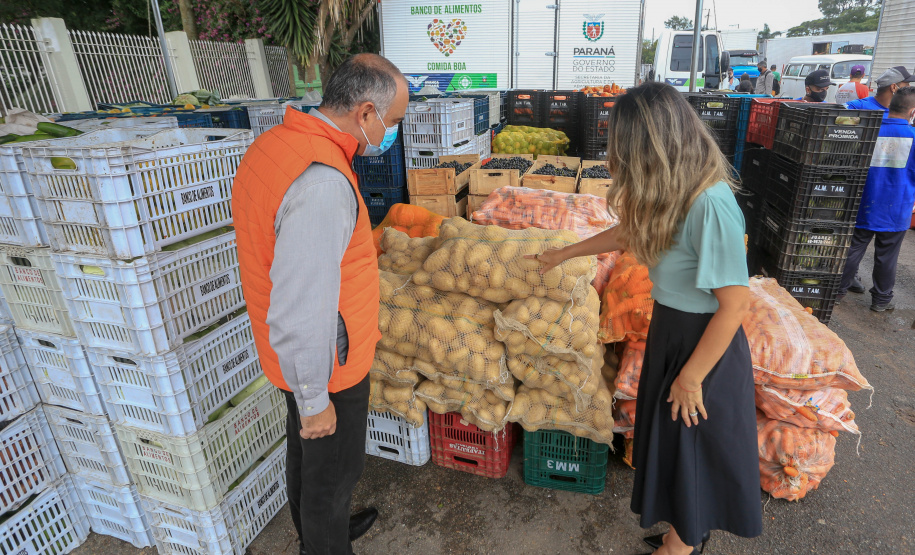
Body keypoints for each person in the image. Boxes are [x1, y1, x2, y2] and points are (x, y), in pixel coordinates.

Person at [531, 82, 762, 555]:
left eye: (621, 144)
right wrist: (566, 253)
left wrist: (693, 377)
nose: (616, 154)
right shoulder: (673, 190)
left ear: (648, 143)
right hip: (672, 332)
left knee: (692, 448)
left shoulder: (711, 203)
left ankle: (678, 550)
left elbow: (734, 304)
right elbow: (629, 230)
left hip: (702, 346)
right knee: (680, 447)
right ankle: (686, 535)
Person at [231, 54, 409, 555]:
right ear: (366, 113)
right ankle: (323, 542)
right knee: (333, 468)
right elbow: (303, 304)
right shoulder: (323, 181)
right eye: (393, 122)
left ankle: (319, 529)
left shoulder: (277, 144)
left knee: (309, 457)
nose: (391, 132)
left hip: (295, 355)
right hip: (328, 362)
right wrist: (314, 399)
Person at [838, 87, 915, 312]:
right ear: (912, 112)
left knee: (853, 248)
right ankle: (881, 300)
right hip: (897, 207)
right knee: (887, 256)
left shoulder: (870, 131)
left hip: (865, 201)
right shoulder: (913, 136)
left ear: (890, 106)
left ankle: (837, 291)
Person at [846, 66, 914, 113]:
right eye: (907, 84)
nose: (909, 87)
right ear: (893, 87)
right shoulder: (857, 106)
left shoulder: (906, 112)